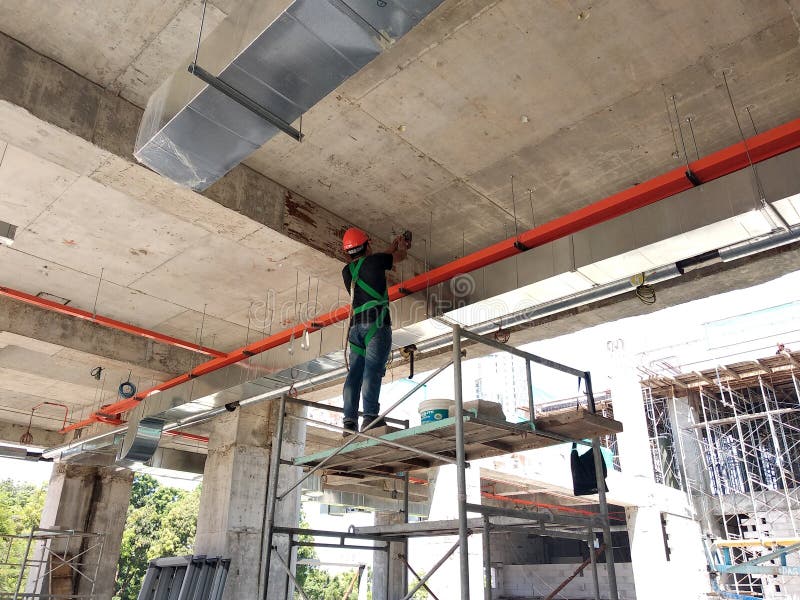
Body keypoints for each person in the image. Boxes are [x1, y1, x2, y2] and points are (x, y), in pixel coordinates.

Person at [341, 227, 410, 434]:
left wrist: (391, 246)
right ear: (367, 245)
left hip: (356, 330)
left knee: (355, 375)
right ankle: (370, 418)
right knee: (372, 371)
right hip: (376, 325)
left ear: (348, 252)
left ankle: (349, 423)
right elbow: (400, 257)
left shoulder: (347, 272)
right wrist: (403, 246)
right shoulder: (377, 261)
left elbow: (379, 258)